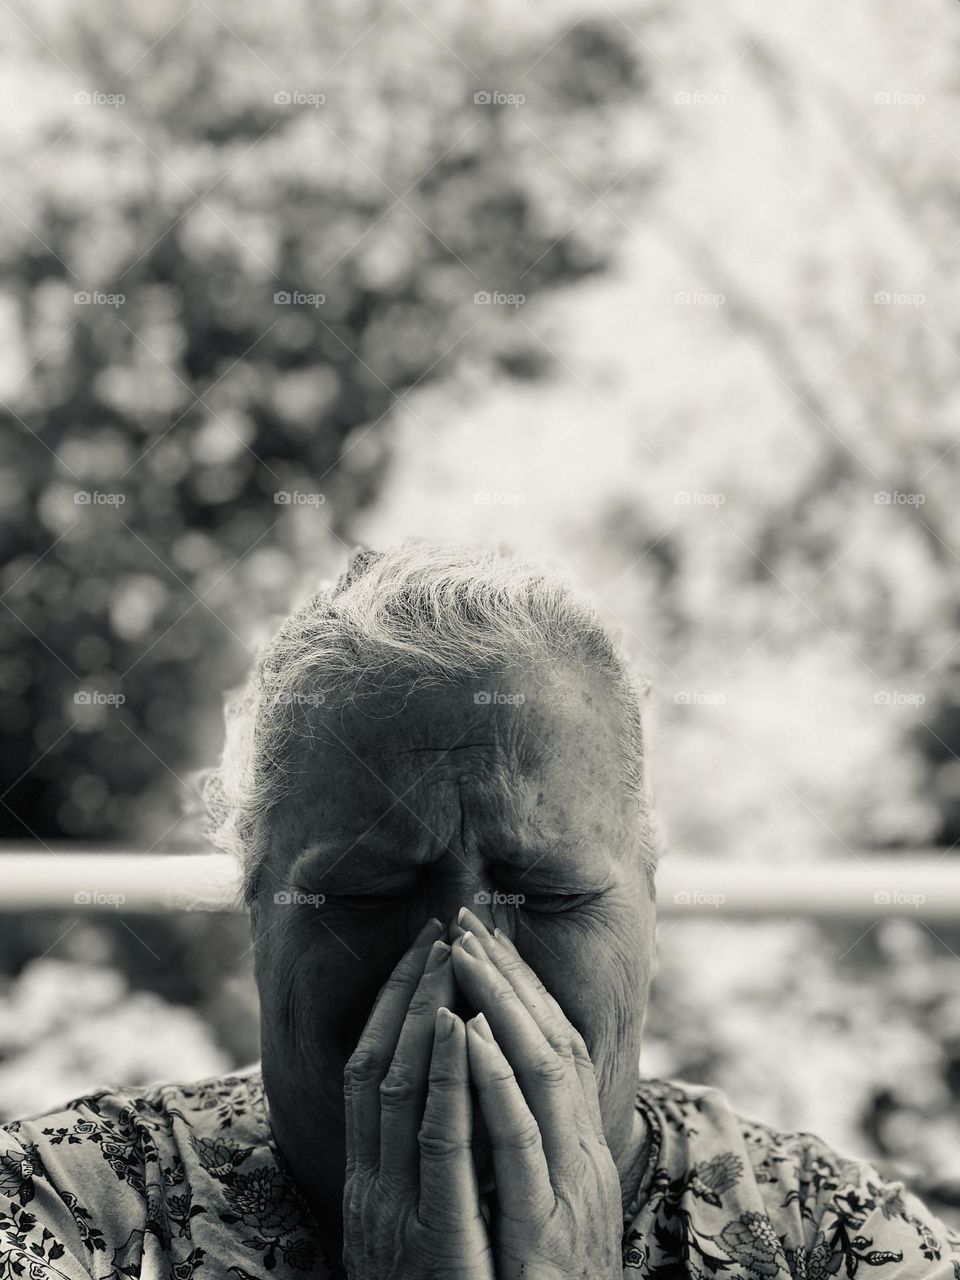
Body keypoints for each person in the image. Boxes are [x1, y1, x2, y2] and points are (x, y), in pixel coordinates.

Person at [2, 542, 957, 1279]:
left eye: (548, 893)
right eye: (365, 891)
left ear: (649, 910)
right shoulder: (58, 1215)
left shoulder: (835, 1241)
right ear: (257, 908)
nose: (463, 966)